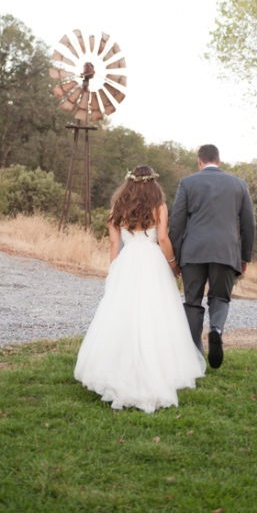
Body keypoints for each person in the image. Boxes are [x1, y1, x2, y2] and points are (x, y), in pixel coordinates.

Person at [74, 165, 206, 413]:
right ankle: (162, 369)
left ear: (128, 183)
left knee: (122, 314)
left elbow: (115, 242)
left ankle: (118, 366)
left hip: (127, 261)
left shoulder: (118, 207)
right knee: (156, 313)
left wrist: (114, 270)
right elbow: (164, 239)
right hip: (152, 261)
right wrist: (173, 264)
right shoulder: (159, 207)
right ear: (153, 184)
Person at [169, 144, 256, 369]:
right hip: (226, 252)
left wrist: (175, 257)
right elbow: (249, 224)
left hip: (193, 252)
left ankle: (195, 354)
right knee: (220, 298)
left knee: (192, 302)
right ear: (218, 160)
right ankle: (216, 329)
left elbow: (177, 222)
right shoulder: (239, 184)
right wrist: (244, 257)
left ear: (200, 161)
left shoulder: (187, 183)